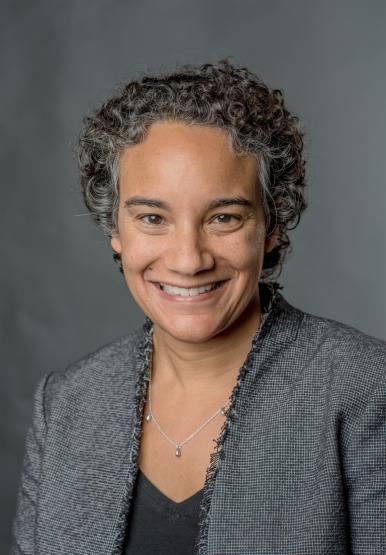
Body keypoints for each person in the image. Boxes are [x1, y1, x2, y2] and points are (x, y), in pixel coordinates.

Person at [11, 59, 385, 555]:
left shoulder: (365, 386)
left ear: (271, 227)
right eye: (152, 217)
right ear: (115, 230)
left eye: (224, 217)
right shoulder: (66, 404)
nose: (189, 259)